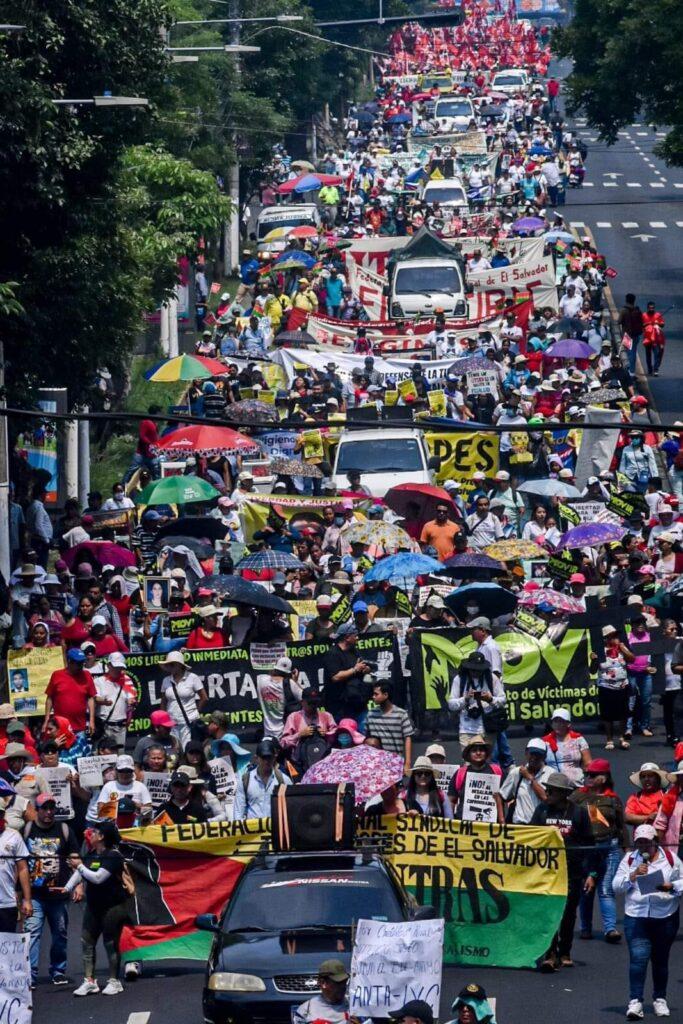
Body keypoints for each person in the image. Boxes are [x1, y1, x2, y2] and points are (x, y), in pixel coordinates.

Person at [613, 823, 682, 1020]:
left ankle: (660, 999)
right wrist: (633, 876)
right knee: (638, 959)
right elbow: (616, 886)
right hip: (637, 916)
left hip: (665, 916)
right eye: (639, 843)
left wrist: (671, 886)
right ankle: (635, 1001)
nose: (643, 847)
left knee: (660, 960)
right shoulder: (629, 860)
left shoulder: (670, 859)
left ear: (655, 842)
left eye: (647, 843)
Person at [532, 771, 597, 970]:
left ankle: (565, 950)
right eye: (547, 789)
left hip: (573, 871)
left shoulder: (578, 813)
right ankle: (550, 954)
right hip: (548, 872)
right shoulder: (542, 810)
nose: (547, 793)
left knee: (568, 912)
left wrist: (591, 874)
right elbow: (530, 835)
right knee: (550, 912)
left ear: (562, 793)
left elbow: (590, 844)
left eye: (551, 790)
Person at [22, 793, 81, 987]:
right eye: (44, 808)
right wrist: (22, 896)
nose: (49, 812)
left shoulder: (64, 829)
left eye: (51, 808)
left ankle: (58, 970)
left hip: (58, 893)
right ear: (37, 810)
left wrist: (79, 884)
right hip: (35, 894)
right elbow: (19, 864)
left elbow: (76, 861)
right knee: (32, 933)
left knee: (60, 933)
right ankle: (30, 974)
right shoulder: (28, 830)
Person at [65, 821, 130, 996]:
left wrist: (78, 865)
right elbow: (80, 874)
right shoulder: (92, 854)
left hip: (113, 908)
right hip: (93, 907)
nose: (89, 834)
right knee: (86, 941)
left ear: (102, 837)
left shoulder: (113, 856)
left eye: (93, 832)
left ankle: (114, 981)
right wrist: (67, 888)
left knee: (110, 943)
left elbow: (97, 878)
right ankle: (90, 981)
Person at [572, 757, 627, 943]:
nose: (588, 777)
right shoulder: (578, 796)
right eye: (587, 774)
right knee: (586, 889)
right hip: (586, 849)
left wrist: (626, 849)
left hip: (609, 848)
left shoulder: (613, 799)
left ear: (604, 778)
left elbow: (620, 826)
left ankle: (610, 929)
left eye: (593, 775)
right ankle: (585, 928)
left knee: (606, 889)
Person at [322, 621, 371, 727]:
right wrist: (355, 669)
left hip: (358, 703)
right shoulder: (332, 653)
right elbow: (335, 676)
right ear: (347, 637)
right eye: (355, 636)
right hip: (340, 707)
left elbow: (360, 666)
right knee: (344, 738)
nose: (357, 638)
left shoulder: (354, 652)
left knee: (364, 734)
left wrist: (365, 669)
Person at [44, 648, 96, 742]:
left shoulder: (87, 675)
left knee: (79, 754)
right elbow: (50, 698)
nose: (81, 666)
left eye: (82, 663)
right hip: (59, 727)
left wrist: (92, 721)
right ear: (69, 661)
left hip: (80, 727)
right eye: (78, 663)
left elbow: (90, 698)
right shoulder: (57, 675)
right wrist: (47, 719)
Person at [448, 735, 504, 824]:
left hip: (491, 826)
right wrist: (450, 824)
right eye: (474, 750)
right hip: (464, 827)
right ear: (469, 755)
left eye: (481, 750)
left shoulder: (496, 771)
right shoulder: (460, 773)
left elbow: (503, 798)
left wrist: (502, 821)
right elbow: (451, 801)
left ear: (486, 753)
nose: (478, 753)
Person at [159, 650, 208, 749]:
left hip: (189, 723)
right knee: (174, 750)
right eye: (168, 665)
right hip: (172, 723)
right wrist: (163, 720)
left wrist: (195, 713)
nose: (169, 667)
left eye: (171, 664)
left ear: (179, 665)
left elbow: (204, 698)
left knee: (188, 749)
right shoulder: (166, 680)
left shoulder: (192, 677)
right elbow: (163, 702)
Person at [233, 738, 290, 820]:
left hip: (275, 830)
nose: (266, 761)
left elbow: (290, 807)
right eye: (264, 757)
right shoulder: (245, 780)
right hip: (253, 830)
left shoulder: (283, 780)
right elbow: (238, 812)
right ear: (256, 758)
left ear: (274, 757)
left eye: (269, 757)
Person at [500, 738, 552, 824]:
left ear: (544, 757)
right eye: (532, 754)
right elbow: (501, 796)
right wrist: (502, 819)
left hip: (542, 828)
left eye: (538, 755)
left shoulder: (551, 773)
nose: (534, 758)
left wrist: (529, 778)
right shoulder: (516, 773)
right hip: (520, 826)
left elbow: (545, 798)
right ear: (526, 753)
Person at [0, 802, 32, 932]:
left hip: (7, 902)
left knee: (5, 950)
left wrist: (27, 900)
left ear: (3, 814)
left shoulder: (14, 835)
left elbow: (23, 869)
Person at [366, 682, 414, 767]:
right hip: (376, 764)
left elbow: (408, 738)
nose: (373, 697)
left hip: (396, 762)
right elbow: (366, 736)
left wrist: (407, 763)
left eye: (376, 694)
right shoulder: (371, 714)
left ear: (385, 695)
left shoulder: (401, 714)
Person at [542, 707, 592, 784]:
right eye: (555, 721)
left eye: (561, 721)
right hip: (554, 785)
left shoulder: (578, 739)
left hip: (576, 784)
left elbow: (588, 763)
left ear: (568, 724)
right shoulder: (544, 741)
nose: (558, 724)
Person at [293, 958, 349, 1024]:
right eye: (338, 983)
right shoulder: (306, 1011)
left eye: (344, 982)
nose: (343, 986)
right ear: (323, 983)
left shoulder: (353, 1007)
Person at [625, 763, 667, 833]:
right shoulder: (635, 797)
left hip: (664, 839)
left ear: (658, 778)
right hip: (642, 841)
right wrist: (648, 817)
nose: (646, 779)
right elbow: (627, 817)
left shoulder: (667, 795)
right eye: (643, 777)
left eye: (650, 776)